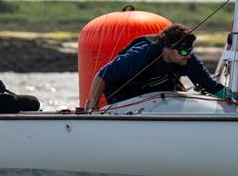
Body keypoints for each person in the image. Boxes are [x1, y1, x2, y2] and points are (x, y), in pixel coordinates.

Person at [84, 23, 229, 111]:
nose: (189, 55)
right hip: (125, 96)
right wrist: (91, 108)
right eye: (184, 51)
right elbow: (102, 75)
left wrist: (235, 100)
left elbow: (211, 87)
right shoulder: (141, 55)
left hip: (159, 96)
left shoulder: (187, 59)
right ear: (167, 49)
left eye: (190, 50)